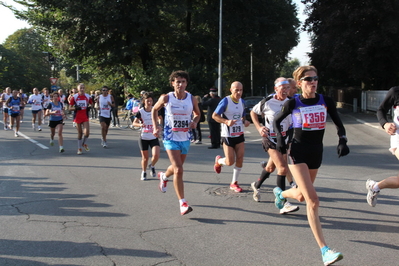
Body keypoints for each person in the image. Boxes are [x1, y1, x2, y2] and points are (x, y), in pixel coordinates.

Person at [273, 66, 349, 266]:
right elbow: (276, 121)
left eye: (315, 78)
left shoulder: (326, 101)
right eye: (308, 79)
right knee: (313, 201)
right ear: (299, 84)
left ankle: (281, 194)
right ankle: (325, 250)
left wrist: (342, 140)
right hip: (297, 152)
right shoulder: (293, 102)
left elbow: (339, 124)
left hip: (317, 152)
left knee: (299, 195)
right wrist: (280, 140)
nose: (313, 82)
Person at [151, 70, 201, 216]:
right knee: (179, 170)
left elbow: (198, 114)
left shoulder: (191, 99)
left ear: (186, 83)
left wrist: (194, 122)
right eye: (177, 81)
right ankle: (183, 203)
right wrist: (155, 126)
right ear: (173, 83)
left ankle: (164, 176)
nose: (180, 84)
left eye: (183, 81)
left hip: (185, 137)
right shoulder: (166, 98)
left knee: (176, 167)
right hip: (170, 137)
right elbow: (154, 109)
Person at [250, 77, 299, 214]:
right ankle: (283, 203)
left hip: (283, 140)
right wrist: (259, 127)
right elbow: (253, 112)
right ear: (276, 88)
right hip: (269, 139)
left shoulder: (291, 102)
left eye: (287, 88)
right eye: (282, 88)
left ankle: (256, 184)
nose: (285, 90)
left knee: (271, 167)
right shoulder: (268, 102)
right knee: (282, 168)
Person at [212, 81, 251, 192]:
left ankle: (234, 183)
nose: (239, 92)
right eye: (236, 90)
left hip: (239, 134)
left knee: (240, 158)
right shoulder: (225, 101)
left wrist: (245, 122)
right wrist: (226, 121)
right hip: (228, 135)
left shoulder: (242, 102)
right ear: (231, 90)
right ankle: (219, 161)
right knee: (230, 162)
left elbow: (242, 117)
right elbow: (214, 116)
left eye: (241, 90)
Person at [367, 86, 399, 206]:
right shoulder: (395, 92)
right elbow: (381, 110)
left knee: (398, 182)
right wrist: (385, 124)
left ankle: (375, 186)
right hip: (398, 139)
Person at [133, 92, 162, 180]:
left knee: (156, 155)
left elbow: (160, 119)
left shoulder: (155, 109)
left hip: (153, 136)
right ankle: (144, 172)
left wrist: (159, 126)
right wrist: (140, 125)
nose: (149, 103)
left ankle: (152, 165)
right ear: (144, 101)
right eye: (147, 101)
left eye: (150, 101)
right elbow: (134, 123)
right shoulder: (141, 112)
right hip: (144, 137)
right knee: (145, 158)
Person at [69, 83, 93, 155]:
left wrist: (89, 107)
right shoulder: (75, 97)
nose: (82, 89)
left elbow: (91, 104)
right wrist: (75, 108)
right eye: (80, 88)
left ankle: (84, 143)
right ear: (78, 89)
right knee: (80, 133)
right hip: (77, 117)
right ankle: (79, 148)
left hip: (85, 116)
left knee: (87, 132)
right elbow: (69, 108)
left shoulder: (88, 96)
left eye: (83, 88)